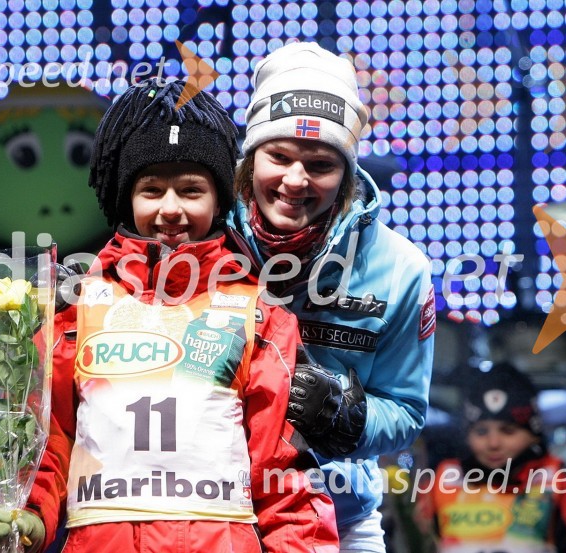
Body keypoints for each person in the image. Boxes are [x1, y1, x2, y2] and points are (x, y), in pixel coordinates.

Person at [0, 78, 339, 552]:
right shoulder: (74, 308)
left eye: (191, 190)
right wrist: (28, 515)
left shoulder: (260, 315)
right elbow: (49, 450)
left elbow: (284, 478)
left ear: (219, 200)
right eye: (152, 190)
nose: (170, 209)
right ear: (126, 197)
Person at [227, 41, 435, 551]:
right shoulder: (206, 240)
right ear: (251, 158)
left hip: (341, 521)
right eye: (279, 157)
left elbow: (406, 411)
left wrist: (347, 412)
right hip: (214, 518)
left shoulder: (401, 269)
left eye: (320, 164)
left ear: (346, 174)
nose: (295, 181)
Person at [415, 363, 566, 552]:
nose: (493, 443)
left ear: (533, 434)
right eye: (481, 432)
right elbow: (416, 539)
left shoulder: (559, 480)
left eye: (508, 431)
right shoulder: (445, 477)